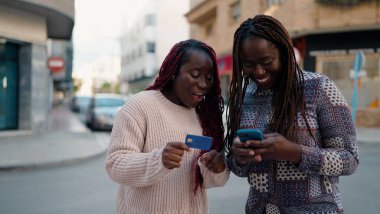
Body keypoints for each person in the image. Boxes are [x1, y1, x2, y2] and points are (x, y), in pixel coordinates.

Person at [225, 15, 359, 213]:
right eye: (248, 64)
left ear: (284, 53)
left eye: (266, 61)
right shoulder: (244, 97)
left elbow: (350, 160)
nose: (258, 71)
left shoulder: (318, 88)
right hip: (259, 209)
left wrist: (295, 152)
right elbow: (236, 167)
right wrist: (239, 157)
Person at [106, 39, 229, 214]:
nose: (203, 84)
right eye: (194, 74)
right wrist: (158, 160)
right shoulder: (139, 106)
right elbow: (114, 164)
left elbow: (213, 181)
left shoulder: (205, 116)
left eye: (209, 78)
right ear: (173, 72)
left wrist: (217, 168)